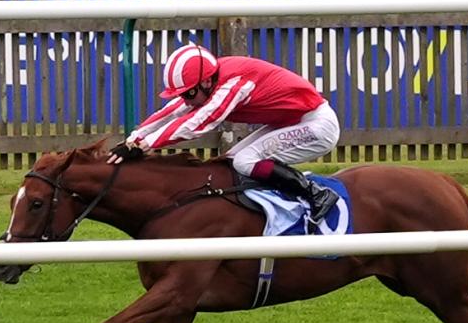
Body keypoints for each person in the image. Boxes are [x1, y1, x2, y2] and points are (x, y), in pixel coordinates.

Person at [107, 43, 341, 221]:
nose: (185, 99)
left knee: (244, 161)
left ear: (206, 82)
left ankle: (316, 194)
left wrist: (144, 145)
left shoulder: (233, 84)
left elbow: (197, 123)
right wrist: (132, 141)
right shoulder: (209, 80)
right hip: (291, 121)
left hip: (317, 125)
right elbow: (172, 111)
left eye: (188, 93)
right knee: (229, 162)